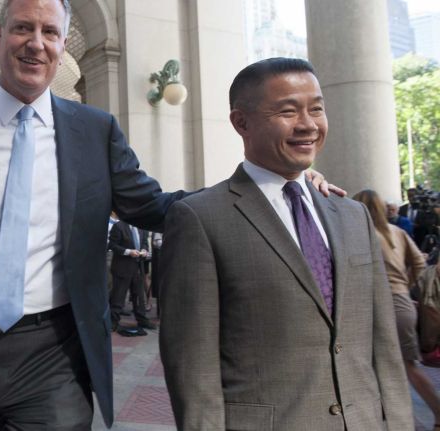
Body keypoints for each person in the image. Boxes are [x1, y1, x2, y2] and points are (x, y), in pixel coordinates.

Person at [0, 2, 342, 429]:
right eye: (22, 28)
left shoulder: (95, 131)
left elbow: (157, 206)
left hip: (54, 355)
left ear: (61, 43)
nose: (36, 43)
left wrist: (271, 185)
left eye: (50, 32)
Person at [159, 57, 412, 430]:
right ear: (240, 122)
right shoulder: (200, 218)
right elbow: (193, 367)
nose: (308, 124)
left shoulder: (353, 216)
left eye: (317, 109)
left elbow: (385, 347)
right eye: (288, 111)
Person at [354, 189, 440, 430]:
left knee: (395, 366)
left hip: (380, 304)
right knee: (405, 365)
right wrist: (405, 284)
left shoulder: (357, 234)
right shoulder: (397, 232)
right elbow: (420, 263)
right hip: (402, 303)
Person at [108, 221, 155, 331]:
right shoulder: (119, 226)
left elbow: (144, 243)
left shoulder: (141, 227)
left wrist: (144, 250)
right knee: (118, 297)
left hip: (138, 268)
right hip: (122, 268)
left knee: (139, 296)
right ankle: (113, 322)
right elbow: (112, 245)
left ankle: (142, 320)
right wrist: (128, 252)